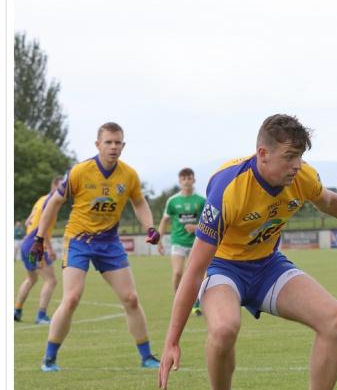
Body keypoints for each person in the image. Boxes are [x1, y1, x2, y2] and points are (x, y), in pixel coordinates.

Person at [158, 114, 337, 390]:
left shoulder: (302, 177)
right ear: (263, 154)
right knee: (224, 328)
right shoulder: (228, 188)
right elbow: (194, 271)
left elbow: (327, 200)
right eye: (289, 157)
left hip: (268, 266)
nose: (297, 165)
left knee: (336, 320)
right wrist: (171, 341)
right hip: (224, 268)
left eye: (300, 156)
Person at [28, 122, 163, 372]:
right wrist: (39, 238)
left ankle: (147, 357)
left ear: (123, 145)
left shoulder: (129, 175)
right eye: (108, 142)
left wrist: (150, 227)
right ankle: (49, 358)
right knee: (71, 298)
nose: (113, 147)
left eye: (118, 142)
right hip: (78, 241)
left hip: (109, 242)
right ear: (98, 144)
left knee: (131, 298)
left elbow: (139, 202)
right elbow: (54, 204)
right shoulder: (80, 171)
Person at [156, 167, 206, 316]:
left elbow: (209, 223)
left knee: (195, 275)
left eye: (189, 178)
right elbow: (164, 221)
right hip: (178, 241)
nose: (186, 181)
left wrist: (196, 228)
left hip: (196, 243)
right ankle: (178, 301)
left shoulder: (202, 200)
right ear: (179, 181)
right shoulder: (172, 201)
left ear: (194, 180)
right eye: (183, 179)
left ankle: (196, 304)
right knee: (178, 272)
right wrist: (158, 240)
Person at [14, 176, 64, 324]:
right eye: (62, 186)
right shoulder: (52, 203)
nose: (64, 190)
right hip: (36, 247)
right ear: (54, 186)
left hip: (26, 245)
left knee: (32, 278)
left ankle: (17, 310)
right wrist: (50, 249)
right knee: (51, 280)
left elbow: (28, 221)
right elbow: (44, 228)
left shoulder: (41, 199)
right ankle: (41, 316)